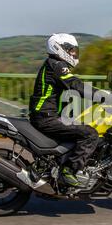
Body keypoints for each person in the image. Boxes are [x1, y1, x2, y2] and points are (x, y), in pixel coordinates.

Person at [29, 33, 100, 188]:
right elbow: (77, 85)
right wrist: (105, 96)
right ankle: (69, 171)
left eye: (75, 51)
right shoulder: (57, 65)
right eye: (71, 50)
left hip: (47, 115)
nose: (74, 54)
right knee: (90, 134)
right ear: (60, 49)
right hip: (46, 118)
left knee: (81, 124)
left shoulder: (53, 64)